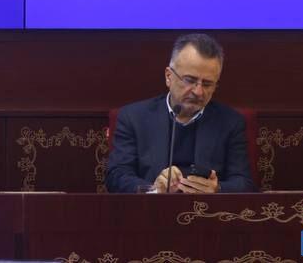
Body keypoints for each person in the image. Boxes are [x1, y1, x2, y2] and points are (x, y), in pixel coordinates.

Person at [105, 33, 254, 193]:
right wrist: (154, 190)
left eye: (207, 84)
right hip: (150, 207)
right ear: (169, 77)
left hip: (206, 208)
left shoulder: (230, 122)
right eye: (190, 80)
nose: (198, 92)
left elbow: (244, 183)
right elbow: (116, 176)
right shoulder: (134, 118)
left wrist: (217, 189)